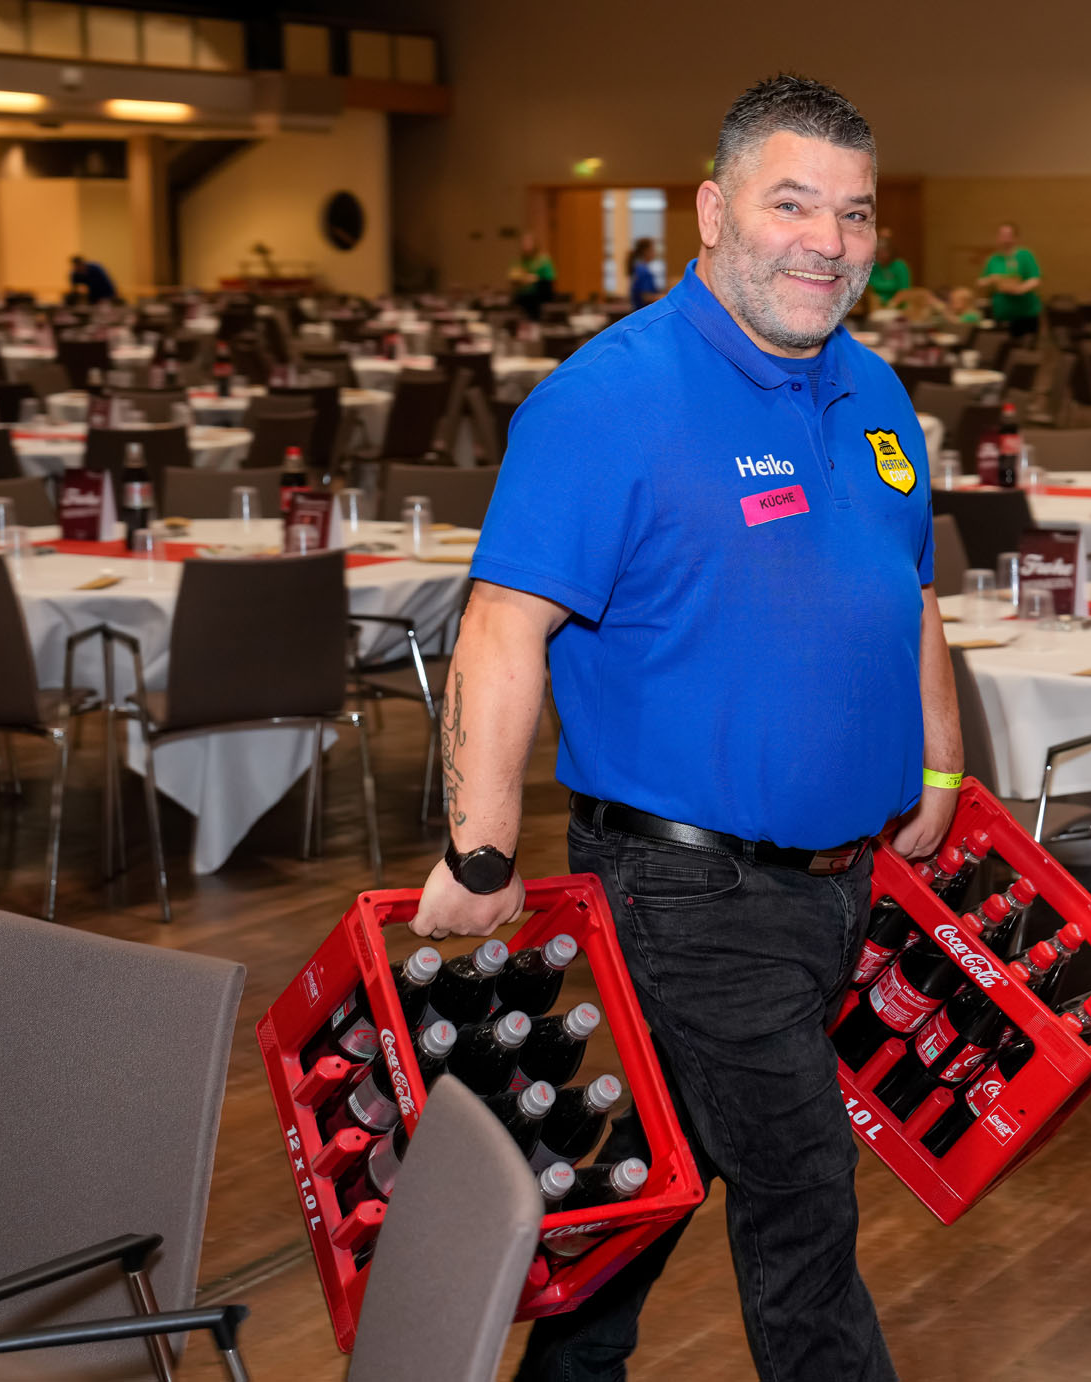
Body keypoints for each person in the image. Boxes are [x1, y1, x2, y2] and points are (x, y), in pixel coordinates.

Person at [416, 73, 954, 1382]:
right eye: (791, 204)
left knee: (662, 1170)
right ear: (713, 213)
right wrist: (482, 849)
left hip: (838, 885)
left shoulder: (875, 388)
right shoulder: (610, 397)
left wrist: (938, 766)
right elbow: (500, 626)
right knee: (802, 1194)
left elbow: (910, 596)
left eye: (854, 213)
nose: (827, 241)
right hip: (684, 885)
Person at [978, 220, 1042, 340]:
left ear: (1016, 238)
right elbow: (981, 282)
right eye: (1002, 235)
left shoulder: (1025, 255)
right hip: (1002, 313)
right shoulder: (993, 259)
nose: (1005, 239)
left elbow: (1035, 279)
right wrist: (992, 279)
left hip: (1024, 313)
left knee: (1023, 348)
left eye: (1008, 235)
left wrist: (1020, 289)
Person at [509, 232, 557, 319]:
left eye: (528, 242)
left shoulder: (543, 260)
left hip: (539, 300)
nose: (526, 245)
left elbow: (550, 279)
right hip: (521, 299)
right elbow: (513, 277)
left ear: (535, 244)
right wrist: (523, 279)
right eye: (524, 243)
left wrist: (535, 279)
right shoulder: (519, 261)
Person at [866, 226, 910, 307]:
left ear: (890, 251)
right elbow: (867, 289)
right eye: (878, 252)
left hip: (896, 306)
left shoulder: (900, 266)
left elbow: (904, 291)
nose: (880, 255)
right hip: (875, 306)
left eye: (883, 252)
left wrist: (890, 305)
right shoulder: (873, 266)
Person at [626, 236, 661, 308]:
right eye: (653, 250)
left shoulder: (638, 267)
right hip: (643, 309)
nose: (655, 253)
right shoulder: (643, 271)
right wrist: (664, 297)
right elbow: (646, 297)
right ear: (646, 251)